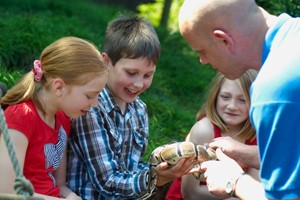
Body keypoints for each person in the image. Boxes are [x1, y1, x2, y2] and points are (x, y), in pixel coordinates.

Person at [178, 0, 300, 199]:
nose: (203, 61)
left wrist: (234, 182)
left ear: (224, 40)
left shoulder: (274, 89)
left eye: (202, 51)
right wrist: (247, 153)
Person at [66, 15, 197, 200]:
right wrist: (156, 177)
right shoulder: (90, 108)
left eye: (147, 75)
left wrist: (164, 165)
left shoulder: (139, 110)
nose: (138, 84)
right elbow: (108, 182)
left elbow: (131, 168)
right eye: (131, 73)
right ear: (106, 62)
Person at [0, 36, 108, 199]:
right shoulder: (21, 116)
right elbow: (7, 191)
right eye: (90, 96)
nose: (95, 104)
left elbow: (59, 184)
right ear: (59, 87)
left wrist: (70, 195)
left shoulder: (63, 118)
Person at [165, 70, 259, 200]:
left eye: (242, 100)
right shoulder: (204, 131)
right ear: (215, 96)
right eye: (225, 97)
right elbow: (190, 193)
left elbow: (254, 184)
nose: (232, 106)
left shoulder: (256, 137)